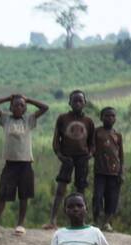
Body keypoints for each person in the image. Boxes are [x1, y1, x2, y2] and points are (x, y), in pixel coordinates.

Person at [0, 93, 49, 236]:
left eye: (22, 105)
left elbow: (45, 107)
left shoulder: (29, 120)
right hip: (10, 164)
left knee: (24, 195)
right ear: (11, 107)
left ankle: (20, 225)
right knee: (3, 194)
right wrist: (7, 98)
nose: (19, 107)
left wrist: (28, 99)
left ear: (25, 109)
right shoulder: (6, 119)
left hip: (25, 164)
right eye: (16, 105)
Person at [48, 90, 95, 229]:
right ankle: (53, 220)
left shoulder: (88, 121)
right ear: (70, 103)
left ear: (85, 103)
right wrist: (59, 155)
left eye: (80, 101)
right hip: (66, 158)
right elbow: (56, 139)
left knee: (80, 190)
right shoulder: (63, 118)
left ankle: (80, 222)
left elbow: (92, 142)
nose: (78, 103)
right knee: (61, 188)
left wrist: (90, 154)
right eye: (75, 101)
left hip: (83, 158)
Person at [92, 107, 124, 232]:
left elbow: (121, 155)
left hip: (114, 172)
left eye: (112, 116)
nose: (110, 118)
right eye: (107, 116)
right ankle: (96, 221)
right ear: (101, 118)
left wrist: (121, 172)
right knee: (98, 196)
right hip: (100, 171)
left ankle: (106, 222)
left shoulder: (117, 135)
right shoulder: (97, 132)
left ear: (115, 118)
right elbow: (92, 148)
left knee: (112, 198)